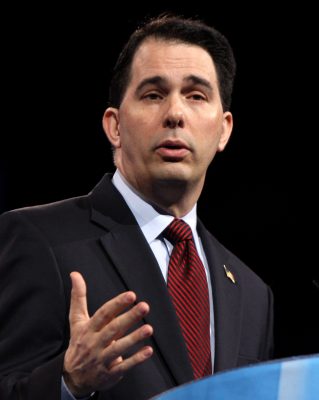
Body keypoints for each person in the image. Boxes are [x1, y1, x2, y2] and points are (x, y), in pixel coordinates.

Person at [0, 14, 274, 400]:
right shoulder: (40, 240)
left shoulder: (251, 292)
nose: (175, 114)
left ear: (223, 129)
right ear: (114, 126)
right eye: (153, 95)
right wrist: (68, 382)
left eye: (196, 95)